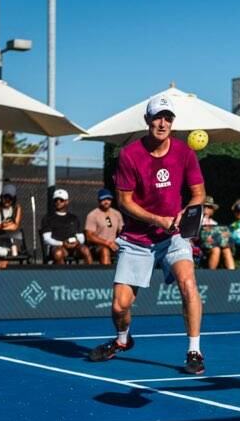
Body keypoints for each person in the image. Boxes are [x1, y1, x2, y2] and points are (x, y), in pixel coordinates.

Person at [88, 94, 207, 374]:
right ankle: (122, 340)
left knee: (188, 283)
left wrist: (185, 213)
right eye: (157, 117)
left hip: (173, 236)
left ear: (172, 122)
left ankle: (194, 351)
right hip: (137, 240)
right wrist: (157, 219)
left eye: (168, 118)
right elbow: (125, 201)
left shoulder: (185, 153)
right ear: (147, 121)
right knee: (120, 306)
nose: (162, 123)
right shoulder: (129, 155)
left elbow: (198, 194)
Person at [41, 189, 93, 265]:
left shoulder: (73, 218)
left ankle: (90, 275)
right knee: (58, 253)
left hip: (74, 247)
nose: (58, 202)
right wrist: (62, 243)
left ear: (66, 201)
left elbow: (80, 236)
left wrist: (77, 242)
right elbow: (47, 239)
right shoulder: (48, 218)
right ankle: (63, 276)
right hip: (58, 247)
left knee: (85, 250)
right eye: (56, 200)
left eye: (61, 200)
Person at [0, 183, 24, 268]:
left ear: (14, 199)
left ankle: (0, 276)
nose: (7, 200)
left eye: (10, 198)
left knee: (5, 257)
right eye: (5, 197)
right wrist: (1, 226)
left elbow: (15, 226)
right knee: (5, 253)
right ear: (1, 197)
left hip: (6, 240)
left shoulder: (16, 208)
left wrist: (2, 226)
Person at [85, 188, 124, 265]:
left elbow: (122, 231)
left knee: (128, 251)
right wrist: (107, 243)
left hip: (114, 245)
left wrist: (119, 242)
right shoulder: (92, 215)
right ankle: (105, 276)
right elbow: (89, 236)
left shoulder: (116, 214)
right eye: (103, 199)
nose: (106, 202)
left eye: (108, 199)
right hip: (97, 247)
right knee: (105, 250)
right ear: (99, 201)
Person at [199, 195, 234, 270]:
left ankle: (233, 276)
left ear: (212, 210)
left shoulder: (215, 223)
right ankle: (211, 276)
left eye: (209, 207)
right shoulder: (196, 221)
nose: (206, 209)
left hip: (216, 243)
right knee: (216, 249)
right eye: (204, 206)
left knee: (226, 249)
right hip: (201, 245)